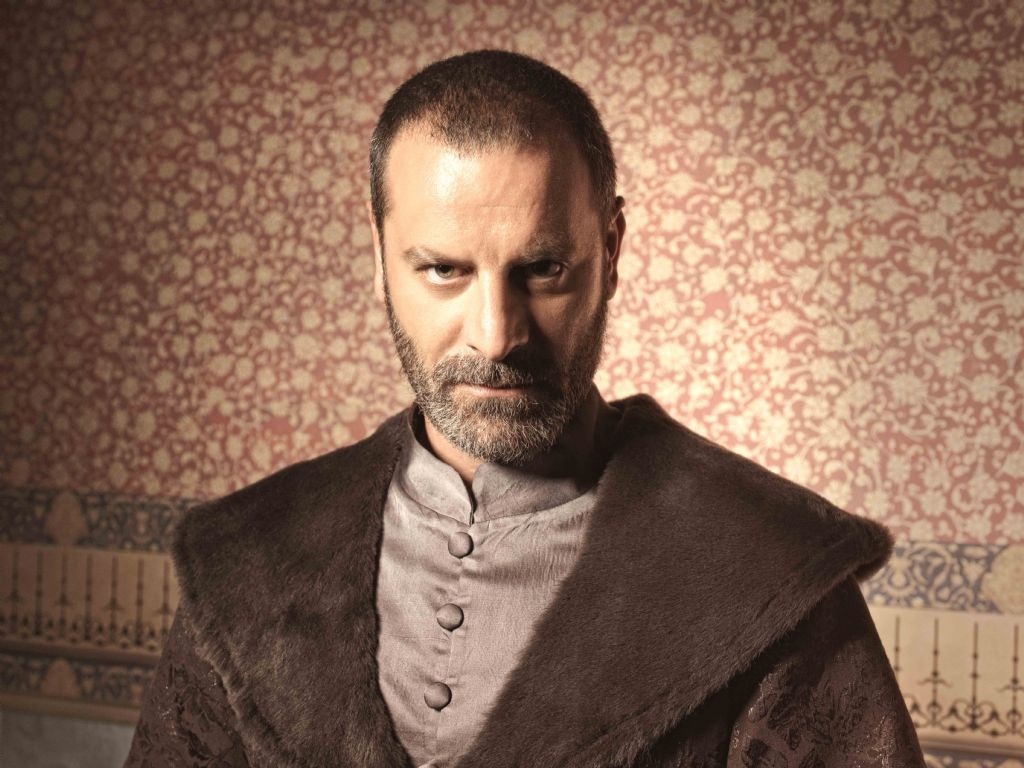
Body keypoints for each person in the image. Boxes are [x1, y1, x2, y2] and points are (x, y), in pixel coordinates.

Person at [126, 50, 925, 767]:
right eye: (444, 270)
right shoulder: (247, 560)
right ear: (379, 257)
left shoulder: (771, 571)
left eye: (542, 269)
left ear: (610, 251)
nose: (497, 334)